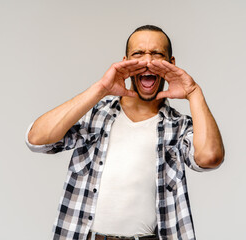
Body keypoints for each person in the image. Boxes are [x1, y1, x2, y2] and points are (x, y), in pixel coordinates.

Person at [25, 25, 225, 240]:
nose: (147, 62)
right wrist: (101, 88)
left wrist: (193, 92)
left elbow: (209, 157)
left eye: (157, 54)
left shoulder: (178, 126)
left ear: (171, 63)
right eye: (138, 54)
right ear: (125, 62)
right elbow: (36, 139)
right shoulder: (95, 115)